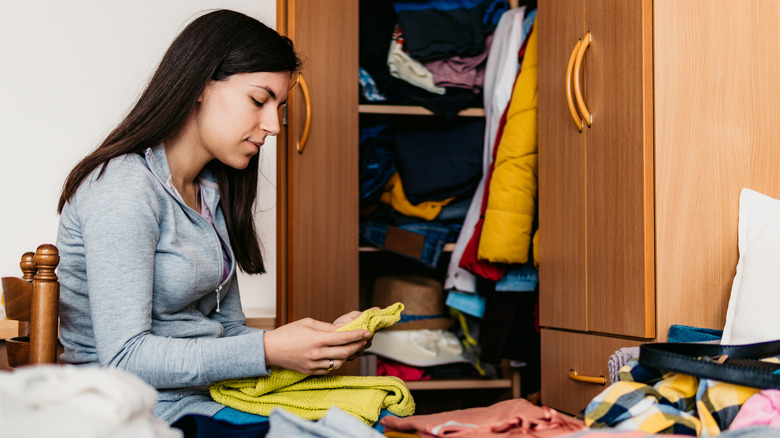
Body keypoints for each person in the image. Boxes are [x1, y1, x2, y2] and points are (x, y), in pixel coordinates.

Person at [55, 9, 371, 424]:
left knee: (364, 417)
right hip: (135, 412)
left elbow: (229, 333)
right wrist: (268, 348)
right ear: (200, 86)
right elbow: (125, 357)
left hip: (206, 400)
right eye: (259, 100)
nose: (273, 126)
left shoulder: (210, 192)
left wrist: (319, 343)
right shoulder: (124, 188)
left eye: (278, 106)